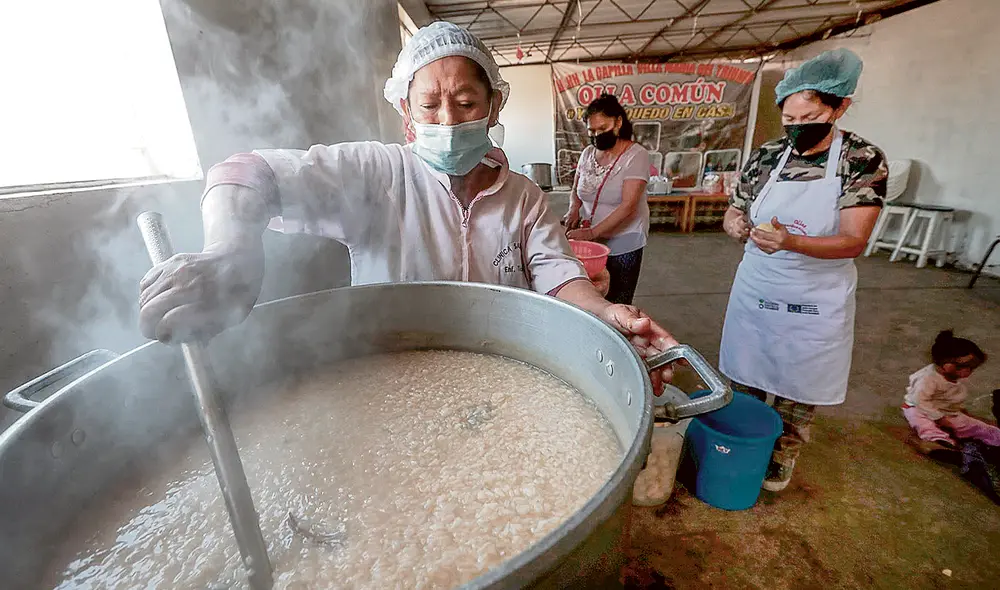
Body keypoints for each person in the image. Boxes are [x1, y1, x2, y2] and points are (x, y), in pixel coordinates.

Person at [137, 22, 677, 390]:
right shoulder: (377, 175)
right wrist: (230, 251)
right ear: (407, 115)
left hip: (502, 377)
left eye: (466, 103)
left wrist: (607, 313)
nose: (447, 120)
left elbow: (559, 277)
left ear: (493, 107)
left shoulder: (524, 199)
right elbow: (245, 172)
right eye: (430, 104)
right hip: (386, 379)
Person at [718, 48, 889, 492]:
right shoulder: (767, 155)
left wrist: (790, 241)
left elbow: (853, 240)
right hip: (758, 285)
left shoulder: (861, 159)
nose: (797, 129)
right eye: (790, 121)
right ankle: (745, 441)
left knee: (800, 382)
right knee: (747, 372)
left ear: (840, 107)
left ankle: (783, 454)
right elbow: (734, 212)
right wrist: (736, 224)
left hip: (815, 295)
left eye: (809, 117)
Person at [564, 94, 651, 305]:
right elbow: (576, 189)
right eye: (592, 131)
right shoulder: (587, 153)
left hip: (623, 241)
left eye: (602, 129)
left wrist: (592, 233)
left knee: (618, 300)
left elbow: (628, 206)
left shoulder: (636, 155)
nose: (596, 136)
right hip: (590, 242)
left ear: (618, 122)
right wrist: (573, 209)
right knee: (590, 297)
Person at [902, 330, 997, 453]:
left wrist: (959, 411)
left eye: (971, 368)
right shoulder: (928, 378)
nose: (967, 372)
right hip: (919, 409)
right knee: (924, 424)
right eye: (962, 367)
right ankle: (939, 442)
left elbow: (952, 400)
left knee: (976, 426)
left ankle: (994, 437)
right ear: (945, 363)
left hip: (946, 412)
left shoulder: (954, 380)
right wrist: (938, 417)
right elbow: (919, 400)